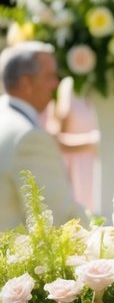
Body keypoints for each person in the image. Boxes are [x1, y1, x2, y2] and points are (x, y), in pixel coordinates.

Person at [0, 42, 79, 228]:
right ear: (26, 83)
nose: (56, 83)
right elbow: (58, 218)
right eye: (50, 76)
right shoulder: (30, 138)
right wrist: (111, 233)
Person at [44, 76, 100, 212]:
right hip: (77, 167)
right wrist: (91, 142)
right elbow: (56, 140)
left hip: (98, 164)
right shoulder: (69, 87)